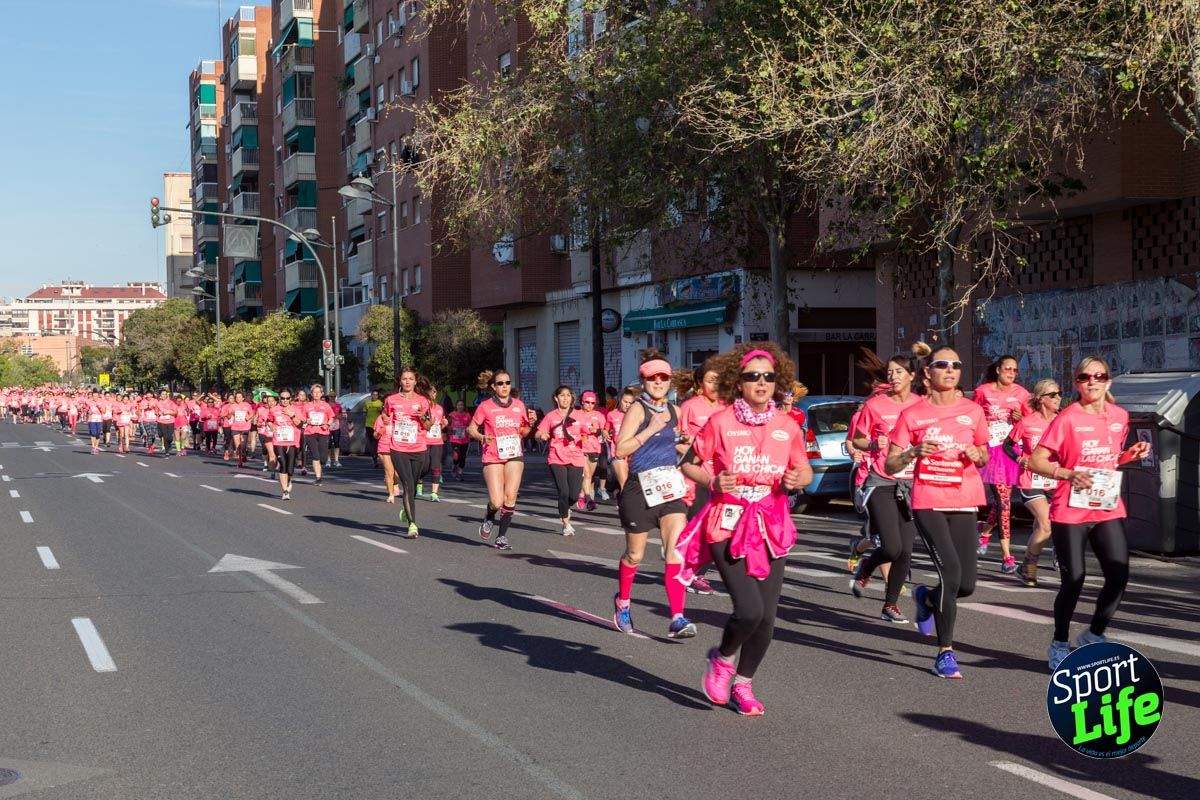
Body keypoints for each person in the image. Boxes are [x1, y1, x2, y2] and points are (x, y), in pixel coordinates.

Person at [678, 342, 812, 715]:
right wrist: (713, 480)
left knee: (767, 619)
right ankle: (722, 659)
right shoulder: (720, 423)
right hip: (728, 523)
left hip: (772, 525)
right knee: (749, 610)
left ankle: (743, 684)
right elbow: (688, 464)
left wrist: (797, 478)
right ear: (739, 383)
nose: (761, 383)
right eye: (753, 376)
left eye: (768, 377)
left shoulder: (788, 426)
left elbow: (804, 470)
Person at [1028, 357, 1149, 671]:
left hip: (1106, 506)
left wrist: (1128, 455)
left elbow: (1109, 460)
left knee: (1119, 575)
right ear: (1076, 382)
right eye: (1085, 377)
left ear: (1108, 380)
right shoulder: (1067, 418)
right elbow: (1036, 461)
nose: (1092, 381)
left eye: (1099, 376)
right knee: (1074, 580)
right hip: (1070, 510)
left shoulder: (1120, 416)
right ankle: (1059, 643)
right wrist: (1067, 474)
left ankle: (1093, 634)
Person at [885, 346, 989, 679]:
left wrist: (977, 453)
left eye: (956, 365)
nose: (950, 369)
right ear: (928, 372)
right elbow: (890, 462)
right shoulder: (912, 415)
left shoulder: (973, 412)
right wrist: (914, 451)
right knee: (951, 573)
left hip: (964, 499)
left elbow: (985, 454)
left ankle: (926, 597)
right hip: (928, 500)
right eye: (942, 364)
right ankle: (945, 653)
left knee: (967, 585)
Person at [612, 350, 696, 640]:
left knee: (674, 550)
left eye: (664, 377)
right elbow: (621, 450)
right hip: (639, 488)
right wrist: (650, 430)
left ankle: (677, 617)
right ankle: (623, 602)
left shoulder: (676, 411)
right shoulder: (638, 409)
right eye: (652, 377)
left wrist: (687, 445)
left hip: (669, 487)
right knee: (635, 554)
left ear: (670, 381)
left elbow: (680, 448)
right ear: (643, 380)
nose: (659, 382)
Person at [848, 345, 927, 623]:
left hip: (911, 482)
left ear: (912, 375)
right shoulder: (875, 405)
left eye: (899, 371)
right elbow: (857, 439)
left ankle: (889, 605)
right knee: (891, 546)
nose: (893, 376)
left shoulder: (921, 405)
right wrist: (871, 442)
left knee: (905, 549)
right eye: (890, 372)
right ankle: (867, 569)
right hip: (881, 479)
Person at [974, 355, 1031, 573]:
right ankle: (1007, 557)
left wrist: (1019, 417)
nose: (1011, 373)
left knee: (1003, 502)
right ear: (998, 370)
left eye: (1015, 370)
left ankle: (985, 531)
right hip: (991, 451)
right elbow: (972, 416)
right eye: (1008, 369)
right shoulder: (983, 391)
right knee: (1004, 502)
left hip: (1011, 450)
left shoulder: (1021, 393)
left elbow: (1029, 421)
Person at [1004, 379, 1063, 587]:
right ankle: (1029, 567)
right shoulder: (1027, 422)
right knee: (1045, 525)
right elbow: (1007, 445)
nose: (1058, 398)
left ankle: (1025, 565)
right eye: (1053, 394)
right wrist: (1020, 458)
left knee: (1044, 526)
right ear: (1040, 399)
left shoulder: (1063, 421)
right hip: (1031, 480)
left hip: (1056, 481)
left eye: (1059, 394)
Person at [677, 360, 725, 596]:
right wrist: (689, 452)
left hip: (722, 475)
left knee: (719, 528)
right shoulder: (690, 407)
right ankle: (693, 571)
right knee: (701, 525)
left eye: (718, 380)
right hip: (695, 477)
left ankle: (697, 570)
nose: (714, 385)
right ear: (699, 384)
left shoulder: (728, 407)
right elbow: (677, 442)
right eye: (709, 380)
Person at [467, 369, 529, 551]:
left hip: (514, 455)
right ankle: (489, 516)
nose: (504, 386)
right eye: (500, 383)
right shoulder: (485, 406)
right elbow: (471, 428)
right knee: (497, 501)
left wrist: (530, 424)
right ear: (493, 387)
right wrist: (481, 437)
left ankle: (501, 536)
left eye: (507, 383)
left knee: (510, 496)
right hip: (493, 455)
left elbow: (524, 431)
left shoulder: (519, 405)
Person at [387, 369, 433, 538]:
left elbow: (428, 426)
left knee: (413, 484)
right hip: (398, 448)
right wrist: (385, 421)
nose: (407, 381)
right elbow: (385, 416)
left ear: (415, 382)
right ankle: (412, 524)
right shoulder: (391, 400)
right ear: (400, 381)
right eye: (404, 379)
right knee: (407, 484)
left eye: (410, 379)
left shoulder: (423, 401)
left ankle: (406, 509)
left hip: (419, 447)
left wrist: (422, 418)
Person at [536, 386, 587, 536]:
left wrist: (590, 435)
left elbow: (588, 431)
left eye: (568, 395)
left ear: (572, 398)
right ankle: (566, 523)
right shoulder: (551, 416)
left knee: (574, 495)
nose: (565, 398)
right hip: (556, 457)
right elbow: (539, 433)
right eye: (562, 395)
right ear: (556, 398)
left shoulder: (579, 415)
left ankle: (567, 506)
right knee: (563, 492)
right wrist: (541, 436)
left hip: (576, 457)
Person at [268, 390, 303, 499]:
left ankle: (289, 480)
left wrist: (291, 415)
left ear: (290, 399)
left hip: (292, 442)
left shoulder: (296, 409)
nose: (285, 400)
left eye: (287, 398)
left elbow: (301, 424)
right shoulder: (274, 409)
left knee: (290, 469)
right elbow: (269, 421)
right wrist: (272, 426)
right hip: (278, 441)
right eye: (283, 398)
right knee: (282, 464)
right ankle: (285, 491)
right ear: (279, 399)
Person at [416, 382, 446, 502]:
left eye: (435, 391)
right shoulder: (423, 407)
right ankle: (418, 483)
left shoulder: (439, 408)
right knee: (424, 467)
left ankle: (434, 493)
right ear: (427, 393)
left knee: (436, 466)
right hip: (424, 440)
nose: (434, 393)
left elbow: (440, 425)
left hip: (437, 441)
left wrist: (444, 425)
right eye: (432, 391)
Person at [577, 391, 607, 509]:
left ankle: (581, 494)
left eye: (592, 403)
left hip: (594, 447)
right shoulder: (576, 414)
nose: (589, 405)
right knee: (587, 474)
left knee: (590, 476)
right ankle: (589, 499)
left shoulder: (599, 415)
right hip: (580, 447)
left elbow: (604, 430)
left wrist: (599, 431)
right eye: (587, 402)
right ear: (582, 402)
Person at [301, 384, 334, 486]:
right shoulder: (307, 406)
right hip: (310, 432)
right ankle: (318, 477)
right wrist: (306, 420)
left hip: (323, 431)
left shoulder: (326, 405)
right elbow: (302, 419)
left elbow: (331, 417)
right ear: (311, 394)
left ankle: (321, 463)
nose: (316, 394)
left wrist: (327, 424)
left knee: (323, 458)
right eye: (314, 392)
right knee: (315, 455)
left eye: (318, 392)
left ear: (321, 394)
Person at [373, 406, 399, 503]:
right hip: (384, 447)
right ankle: (391, 495)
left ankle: (393, 482)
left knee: (397, 474)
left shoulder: (397, 417)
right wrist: (380, 431)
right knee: (389, 472)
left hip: (397, 447)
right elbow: (375, 435)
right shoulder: (380, 419)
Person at [224, 391, 255, 468]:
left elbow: (252, 413)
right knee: (238, 446)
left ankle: (244, 454)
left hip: (245, 427)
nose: (238, 398)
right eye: (237, 397)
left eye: (240, 397)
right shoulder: (232, 406)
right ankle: (240, 461)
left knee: (243, 445)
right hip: (235, 427)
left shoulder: (247, 405)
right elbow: (228, 416)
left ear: (243, 398)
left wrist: (248, 417)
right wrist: (231, 413)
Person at [447, 400, 471, 481]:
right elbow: (448, 425)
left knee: (463, 457)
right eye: (458, 405)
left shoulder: (467, 415)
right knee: (456, 456)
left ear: (464, 406)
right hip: (455, 439)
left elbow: (470, 425)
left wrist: (469, 430)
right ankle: (454, 465)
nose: (460, 406)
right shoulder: (452, 414)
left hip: (465, 439)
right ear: (456, 406)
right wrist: (450, 430)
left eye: (462, 405)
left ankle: (459, 473)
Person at [364, 389, 384, 467]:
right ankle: (374, 459)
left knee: (378, 442)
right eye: (373, 394)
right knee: (372, 443)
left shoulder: (380, 403)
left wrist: (380, 410)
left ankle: (379, 458)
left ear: (378, 396)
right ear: (371, 395)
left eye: (376, 395)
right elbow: (364, 413)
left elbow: (383, 413)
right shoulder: (367, 403)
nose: (375, 396)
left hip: (378, 426)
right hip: (369, 425)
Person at [329, 396, 345, 468]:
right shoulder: (326, 405)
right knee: (328, 444)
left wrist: (338, 416)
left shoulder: (338, 405)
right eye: (331, 396)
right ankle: (328, 460)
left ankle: (336, 460)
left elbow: (341, 415)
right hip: (328, 427)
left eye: (333, 396)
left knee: (336, 443)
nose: (332, 398)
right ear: (329, 397)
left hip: (336, 426)